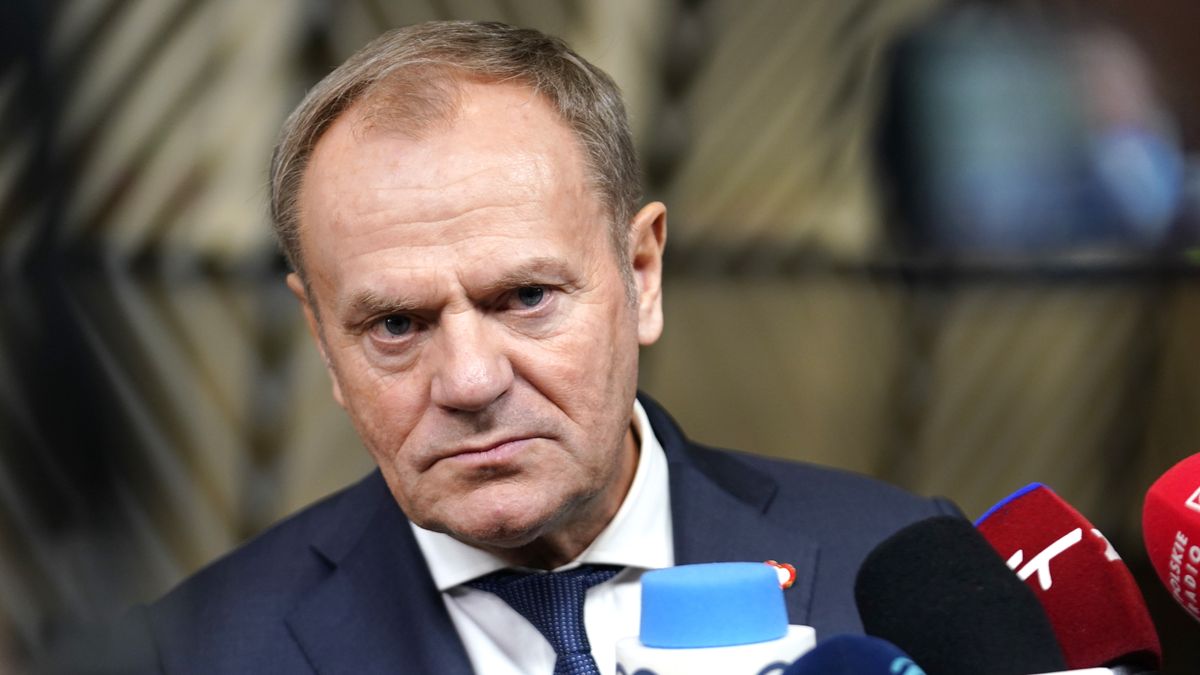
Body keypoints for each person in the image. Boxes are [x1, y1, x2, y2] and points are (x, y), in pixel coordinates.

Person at [129, 20, 958, 674]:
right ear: (320, 339)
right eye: (396, 325)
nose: (470, 379)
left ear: (642, 274)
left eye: (525, 298)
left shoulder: (905, 571)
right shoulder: (194, 654)